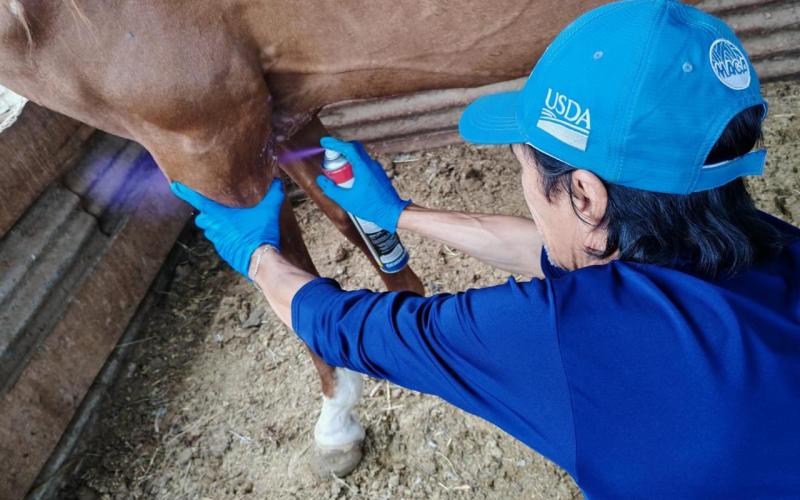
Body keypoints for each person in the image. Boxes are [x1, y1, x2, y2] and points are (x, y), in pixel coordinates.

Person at [171, 0, 800, 497]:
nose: (527, 186)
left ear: (584, 193)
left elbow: (342, 327)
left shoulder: (563, 337)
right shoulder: (766, 244)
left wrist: (255, 253)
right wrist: (400, 215)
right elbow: (585, 260)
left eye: (524, 163)